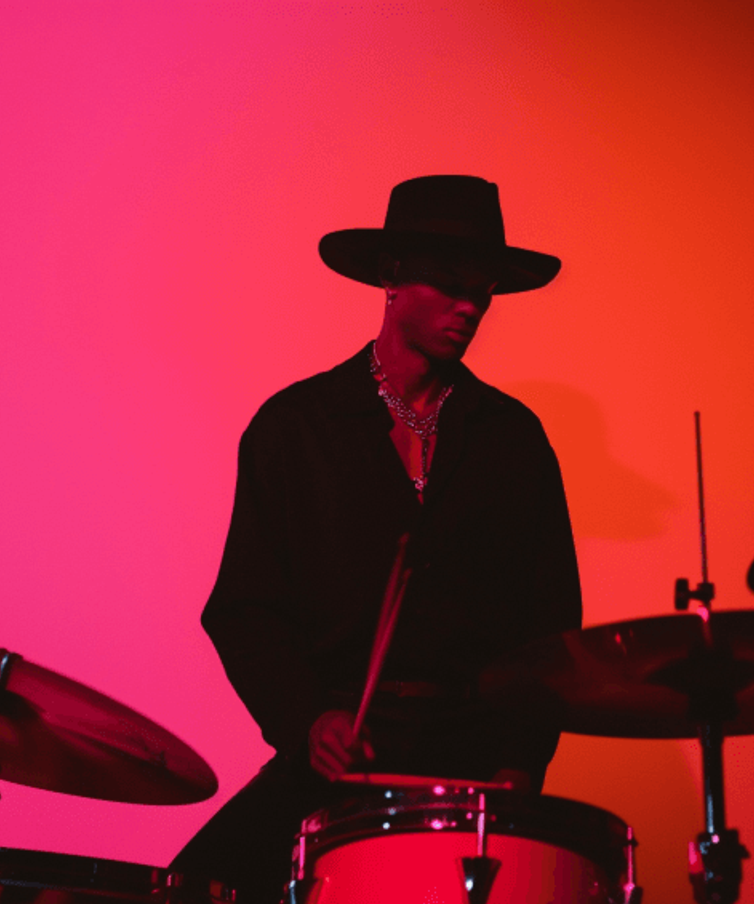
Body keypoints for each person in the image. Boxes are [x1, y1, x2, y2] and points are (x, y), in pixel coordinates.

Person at [170, 175, 583, 903]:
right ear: (391, 278)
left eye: (481, 290)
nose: (469, 307)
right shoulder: (295, 428)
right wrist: (308, 719)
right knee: (193, 889)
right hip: (339, 753)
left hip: (475, 762)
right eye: (450, 283)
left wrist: (521, 758)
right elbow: (244, 610)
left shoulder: (513, 439)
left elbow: (549, 627)